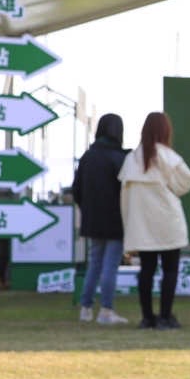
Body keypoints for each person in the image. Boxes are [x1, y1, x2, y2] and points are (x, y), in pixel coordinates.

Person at [120, 111, 190, 330]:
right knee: (170, 271)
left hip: (142, 225)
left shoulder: (132, 159)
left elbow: (124, 196)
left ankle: (147, 318)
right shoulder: (169, 157)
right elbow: (186, 183)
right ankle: (165, 316)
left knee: (146, 271)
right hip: (168, 222)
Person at [70, 113, 129, 325]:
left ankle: (85, 308)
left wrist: (87, 208)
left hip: (92, 219)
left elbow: (76, 189)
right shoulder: (120, 158)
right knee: (110, 266)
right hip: (115, 220)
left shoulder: (88, 156)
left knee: (94, 263)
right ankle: (106, 310)